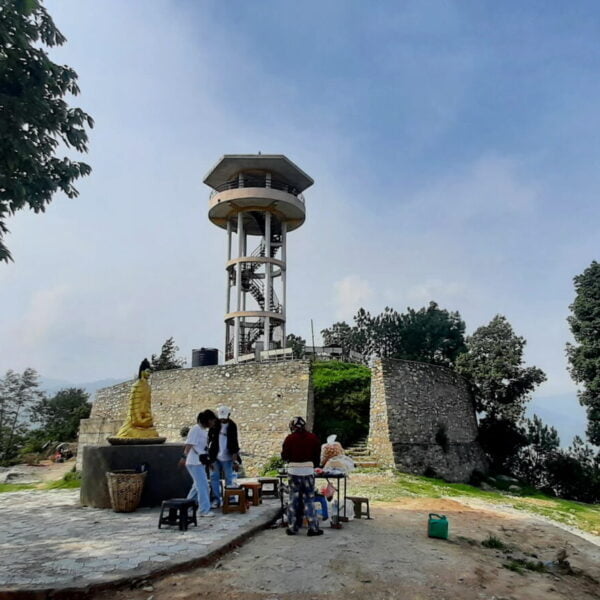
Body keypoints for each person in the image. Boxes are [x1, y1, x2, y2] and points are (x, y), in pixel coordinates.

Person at [281, 416, 323, 537]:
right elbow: (317, 456)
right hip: (308, 471)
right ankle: (313, 528)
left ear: (293, 427)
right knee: (309, 500)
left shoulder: (289, 439)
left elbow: (284, 456)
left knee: (293, 500)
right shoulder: (313, 438)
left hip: (293, 472)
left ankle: (292, 528)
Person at [181, 409, 218, 517]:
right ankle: (203, 510)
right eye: (212, 420)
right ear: (208, 420)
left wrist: (208, 462)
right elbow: (189, 445)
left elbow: (203, 448)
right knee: (203, 486)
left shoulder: (203, 431)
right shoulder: (196, 429)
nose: (213, 423)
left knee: (197, 486)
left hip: (199, 461)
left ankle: (186, 506)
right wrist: (183, 457)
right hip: (194, 462)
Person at [208, 405, 241, 508]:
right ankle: (216, 500)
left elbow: (235, 444)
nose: (222, 419)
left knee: (229, 478)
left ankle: (229, 498)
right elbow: (209, 439)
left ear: (229, 415)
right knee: (214, 478)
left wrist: (235, 461)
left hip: (228, 457)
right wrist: (209, 458)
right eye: (221, 417)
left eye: (224, 417)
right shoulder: (215, 424)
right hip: (215, 456)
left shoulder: (232, 426)